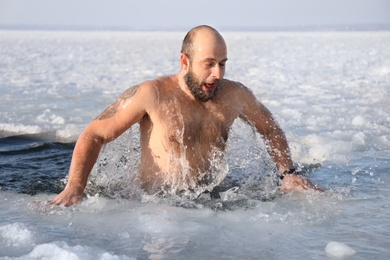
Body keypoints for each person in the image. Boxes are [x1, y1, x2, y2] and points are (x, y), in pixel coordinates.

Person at [50, 25, 322, 207]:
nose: (218, 74)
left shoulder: (234, 95)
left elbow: (270, 129)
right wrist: (75, 188)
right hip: (154, 205)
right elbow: (94, 134)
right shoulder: (152, 94)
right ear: (185, 62)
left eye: (223, 64)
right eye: (209, 64)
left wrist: (288, 173)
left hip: (209, 200)